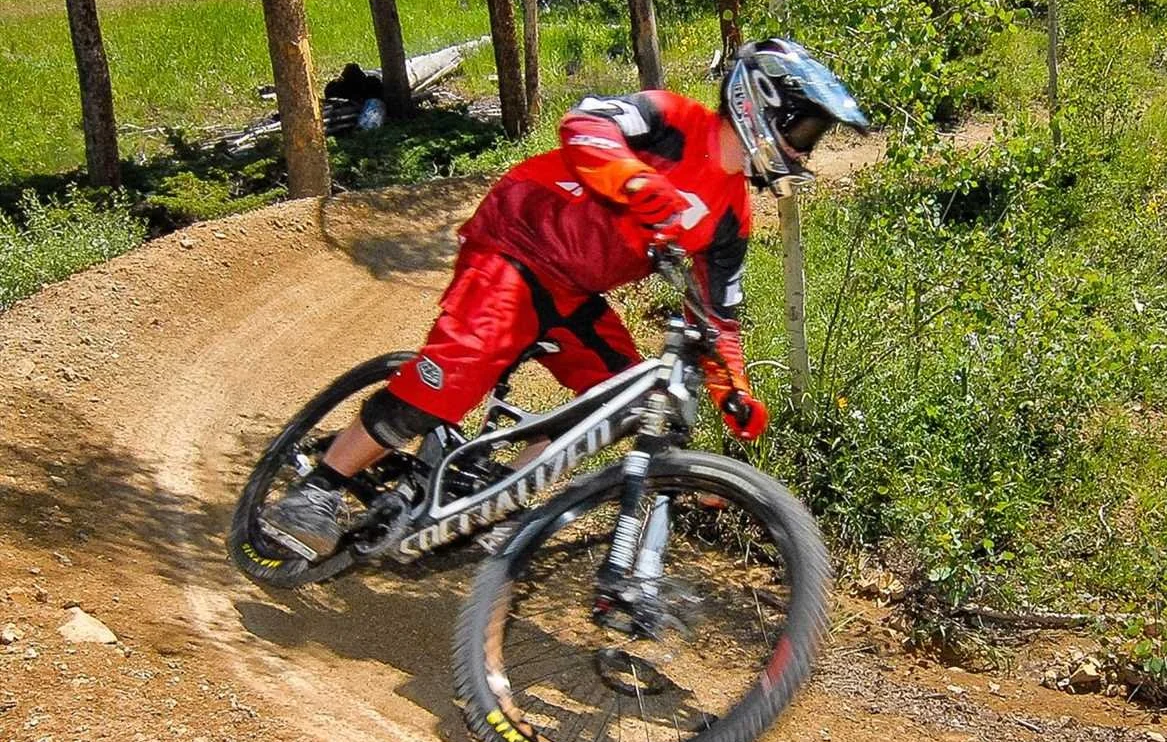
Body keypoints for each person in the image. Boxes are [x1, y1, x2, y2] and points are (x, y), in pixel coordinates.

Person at [261, 37, 870, 561]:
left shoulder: (732, 217)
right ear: (760, 103)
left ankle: (487, 503)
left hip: (574, 290)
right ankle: (320, 484)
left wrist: (731, 389)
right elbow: (586, 123)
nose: (805, 148)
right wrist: (633, 179)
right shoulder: (670, 118)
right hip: (515, 244)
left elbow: (718, 316)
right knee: (459, 369)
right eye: (806, 129)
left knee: (623, 401)